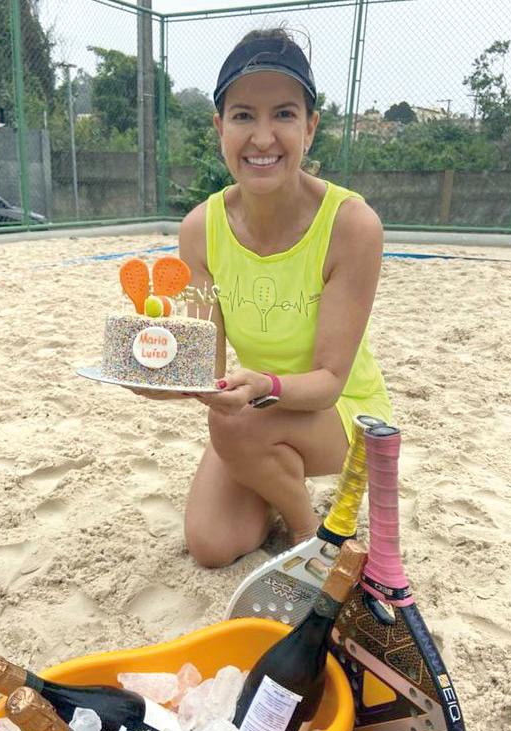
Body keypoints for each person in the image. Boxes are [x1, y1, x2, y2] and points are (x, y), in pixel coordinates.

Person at [140, 28, 391, 568]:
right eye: (243, 115)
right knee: (212, 544)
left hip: (343, 416)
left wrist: (261, 391)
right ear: (219, 127)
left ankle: (314, 535)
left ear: (311, 127)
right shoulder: (200, 228)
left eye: (283, 114)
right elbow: (203, 367)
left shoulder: (352, 225)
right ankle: (268, 468)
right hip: (255, 412)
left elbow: (328, 382)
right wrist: (150, 376)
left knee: (235, 423)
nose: (262, 137)